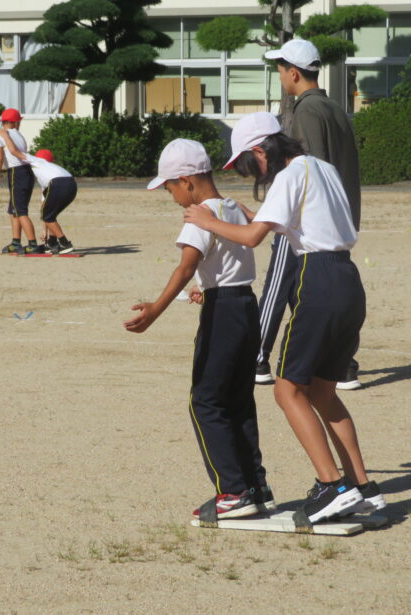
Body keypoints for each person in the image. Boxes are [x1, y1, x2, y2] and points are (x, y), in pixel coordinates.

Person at [184, 113, 385, 524]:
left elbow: (254, 238)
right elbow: (298, 218)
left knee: (286, 389)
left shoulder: (289, 175)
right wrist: (249, 211)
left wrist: (208, 221)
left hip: (318, 278)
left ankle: (332, 487)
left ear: (261, 151)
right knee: (323, 394)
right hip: (348, 278)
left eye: (247, 163)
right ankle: (363, 487)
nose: (248, 171)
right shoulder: (320, 167)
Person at [124, 138, 274, 520]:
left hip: (223, 313)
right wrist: (208, 288)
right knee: (238, 401)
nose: (172, 196)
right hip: (243, 303)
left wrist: (156, 309)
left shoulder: (200, 213)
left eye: (171, 187)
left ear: (188, 181)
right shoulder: (233, 209)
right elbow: (226, 262)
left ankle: (234, 490)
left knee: (205, 401)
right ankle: (256, 485)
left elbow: (186, 266)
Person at [255, 38, 363, 390]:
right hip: (337, 217)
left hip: (309, 217)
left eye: (281, 69)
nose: (279, 75)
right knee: (314, 290)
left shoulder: (306, 110)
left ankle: (256, 357)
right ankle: (342, 363)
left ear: (295, 73)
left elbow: (308, 167)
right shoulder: (334, 107)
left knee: (278, 282)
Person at [0, 129, 77, 254]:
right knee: (50, 214)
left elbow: (14, 151)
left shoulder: (35, 160)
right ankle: (52, 243)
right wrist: (45, 230)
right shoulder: (51, 169)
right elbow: (45, 208)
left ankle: (65, 243)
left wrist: (6, 136)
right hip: (72, 185)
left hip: (58, 184)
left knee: (48, 215)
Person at [0, 108, 45, 255]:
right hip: (25, 172)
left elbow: (0, 158)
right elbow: (8, 156)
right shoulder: (19, 135)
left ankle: (32, 243)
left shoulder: (1, 134)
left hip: (16, 173)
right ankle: (16, 242)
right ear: (14, 122)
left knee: (20, 210)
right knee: (13, 209)